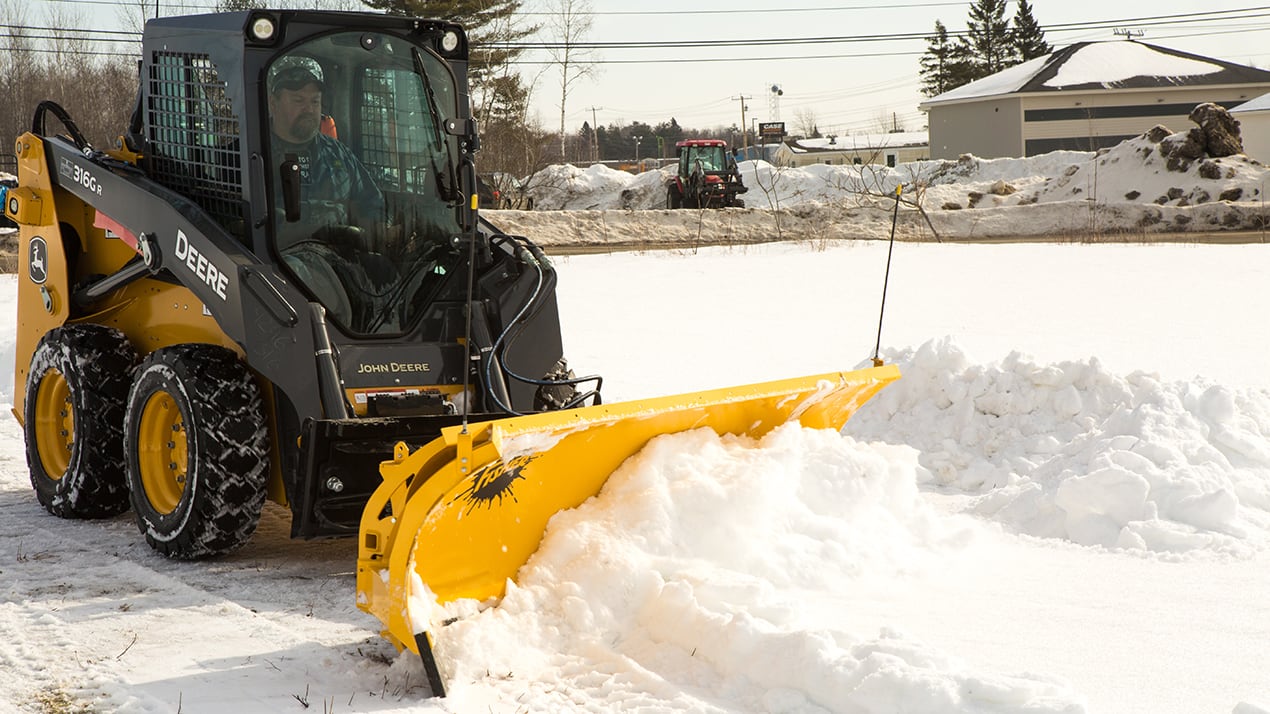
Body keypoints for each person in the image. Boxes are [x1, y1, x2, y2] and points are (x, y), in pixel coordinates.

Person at [267, 62, 385, 245]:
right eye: (298, 100)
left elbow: (372, 203)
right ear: (273, 103)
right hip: (277, 258)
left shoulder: (338, 154)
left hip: (337, 256)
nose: (309, 109)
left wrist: (372, 235)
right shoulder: (250, 152)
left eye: (315, 101)